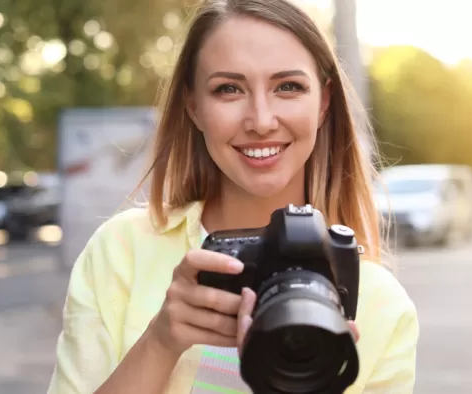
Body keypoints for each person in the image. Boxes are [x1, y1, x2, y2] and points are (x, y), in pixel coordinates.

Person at [47, 0, 419, 393]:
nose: (260, 120)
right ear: (193, 106)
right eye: (228, 89)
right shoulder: (122, 252)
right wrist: (160, 343)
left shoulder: (382, 306)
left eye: (288, 87)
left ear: (324, 102)